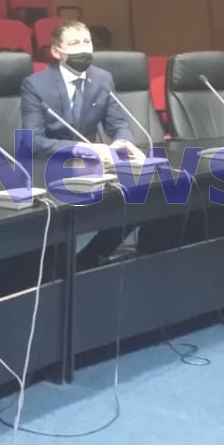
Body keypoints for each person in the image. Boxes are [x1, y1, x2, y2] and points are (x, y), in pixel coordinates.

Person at [20, 20, 145, 268]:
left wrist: (123, 142)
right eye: (74, 43)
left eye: (87, 42)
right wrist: (79, 149)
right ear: (56, 51)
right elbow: (32, 142)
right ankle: (61, 268)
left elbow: (118, 123)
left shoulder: (103, 79)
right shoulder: (36, 85)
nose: (83, 49)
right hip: (49, 169)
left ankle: (87, 261)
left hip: (91, 169)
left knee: (141, 199)